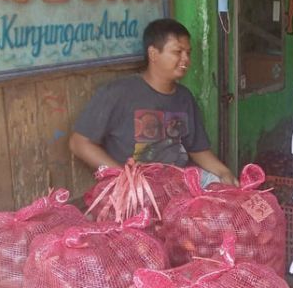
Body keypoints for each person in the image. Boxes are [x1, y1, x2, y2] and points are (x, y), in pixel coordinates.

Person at [69, 18, 237, 185]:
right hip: (139, 188)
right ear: (153, 54)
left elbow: (197, 149)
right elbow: (79, 143)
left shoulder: (184, 97)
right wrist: (125, 179)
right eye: (178, 52)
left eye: (188, 53)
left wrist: (224, 172)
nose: (186, 59)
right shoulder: (118, 93)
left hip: (178, 182)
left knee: (223, 189)